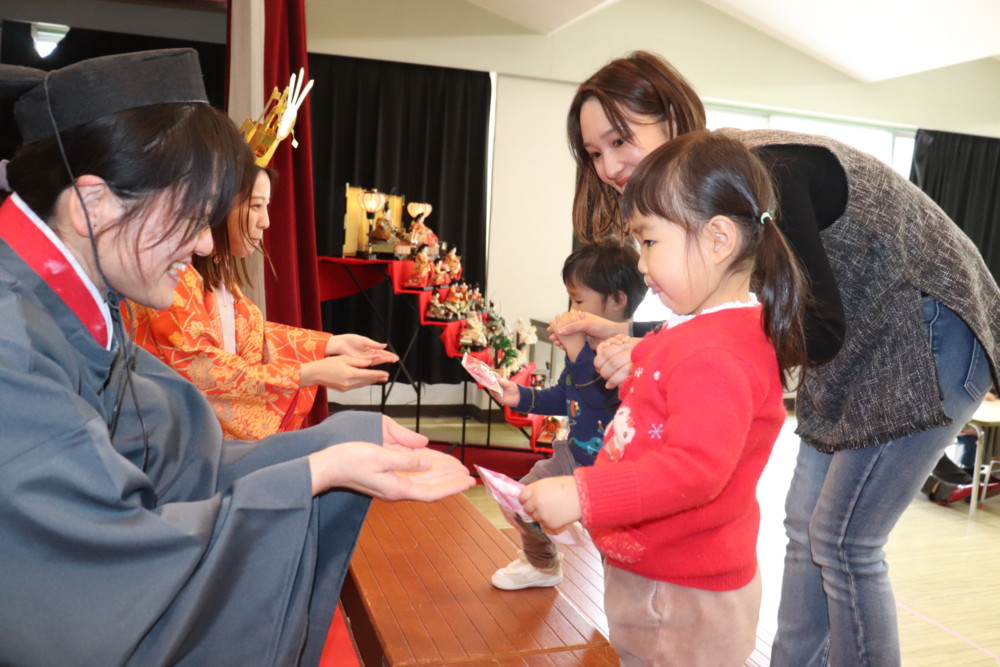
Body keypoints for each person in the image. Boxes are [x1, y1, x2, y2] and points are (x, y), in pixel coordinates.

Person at [0, 49, 474, 666]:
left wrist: (336, 446)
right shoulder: (13, 352)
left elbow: (177, 462)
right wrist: (312, 474)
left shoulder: (81, 304)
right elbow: (99, 577)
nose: (204, 244)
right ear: (94, 203)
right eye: (193, 217)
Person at [554, 51, 1000, 665]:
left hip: (925, 329)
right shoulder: (707, 188)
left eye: (619, 139)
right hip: (849, 343)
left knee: (844, 542)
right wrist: (642, 338)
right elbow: (739, 315)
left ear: (673, 115)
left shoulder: (756, 175)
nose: (608, 166)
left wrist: (654, 348)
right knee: (805, 529)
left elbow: (813, 327)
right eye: (593, 153)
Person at [520, 130, 809, 665]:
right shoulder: (709, 332)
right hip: (666, 581)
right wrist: (640, 355)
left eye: (650, 242)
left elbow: (694, 470)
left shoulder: (714, 353)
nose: (642, 264)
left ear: (718, 239)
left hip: (678, 595)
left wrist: (584, 495)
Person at [125, 165, 397, 440]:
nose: (265, 221)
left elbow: (251, 334)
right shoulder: (173, 276)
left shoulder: (216, 273)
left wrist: (332, 344)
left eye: (266, 206)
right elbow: (203, 368)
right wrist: (309, 372)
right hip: (167, 439)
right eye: (256, 206)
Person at [487, 239, 646, 591]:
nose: (571, 310)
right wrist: (519, 397)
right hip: (570, 457)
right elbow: (565, 396)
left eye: (578, 301)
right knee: (521, 499)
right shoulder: (584, 344)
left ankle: (624, 598)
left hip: (610, 471)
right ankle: (541, 564)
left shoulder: (628, 351)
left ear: (617, 300)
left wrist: (576, 351)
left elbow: (599, 397)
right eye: (571, 300)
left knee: (613, 548)